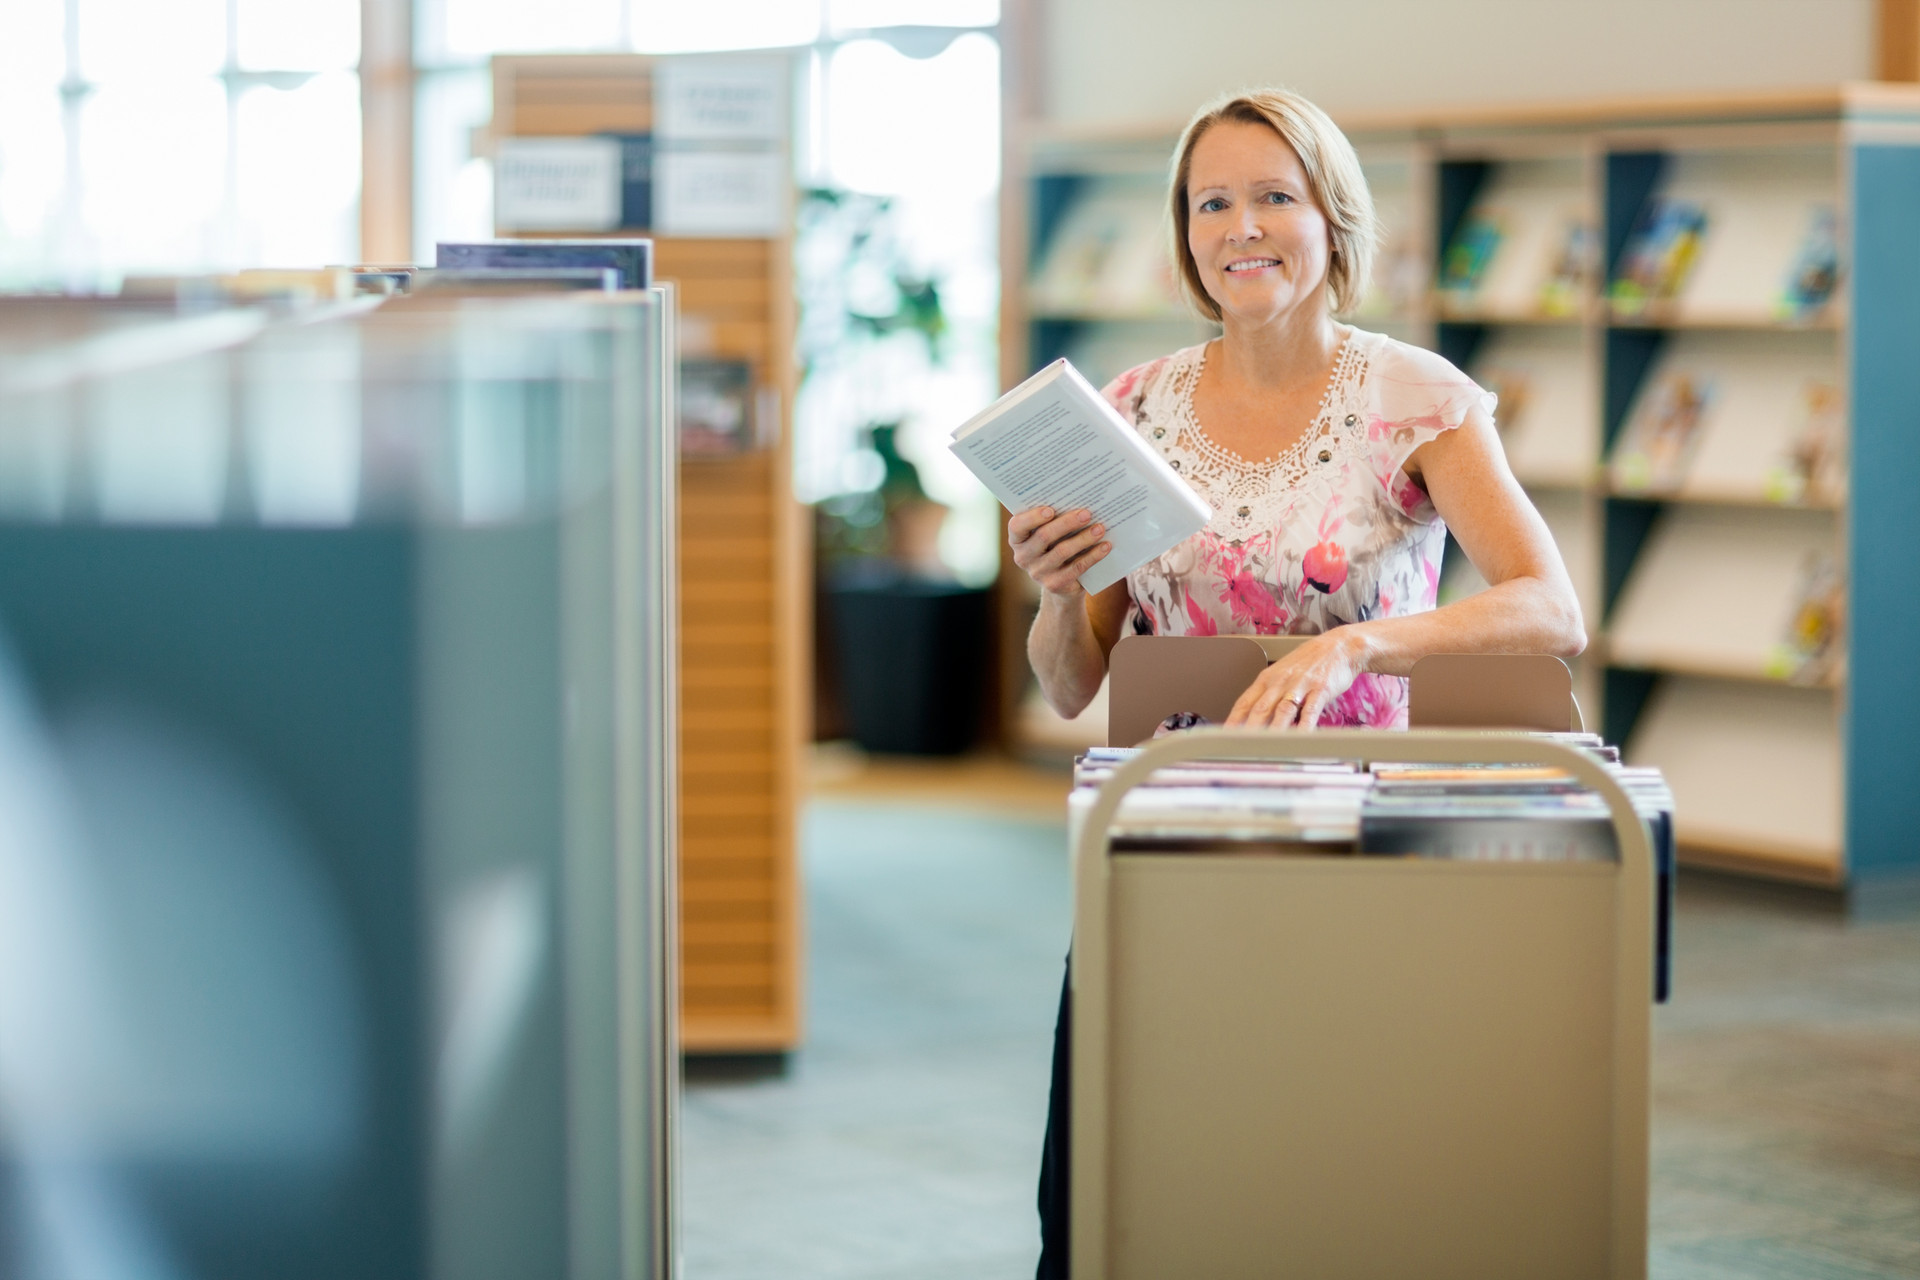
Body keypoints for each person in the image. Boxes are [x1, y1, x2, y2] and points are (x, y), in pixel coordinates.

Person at [1013, 88, 1585, 1279]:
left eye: (1275, 194)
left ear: (1332, 217)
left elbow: (1551, 605)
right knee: (1119, 1185)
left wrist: (1361, 644)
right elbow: (1071, 684)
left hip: (1357, 842)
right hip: (1165, 840)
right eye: (1211, 201)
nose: (1242, 226)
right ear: (1185, 232)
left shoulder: (1412, 397)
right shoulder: (1131, 413)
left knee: (1331, 1174)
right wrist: (1060, 592)